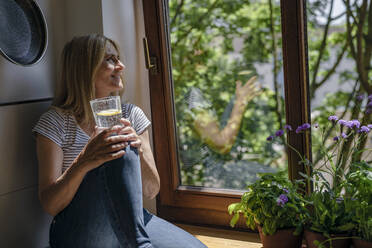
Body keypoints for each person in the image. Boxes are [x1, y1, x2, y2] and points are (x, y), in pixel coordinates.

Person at [33, 34, 207, 248]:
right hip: (80, 229)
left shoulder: (131, 114)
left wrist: (139, 149)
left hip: (132, 221)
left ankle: (135, 241)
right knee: (115, 144)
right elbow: (51, 204)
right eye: (110, 60)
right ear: (85, 68)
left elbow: (152, 190)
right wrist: (85, 160)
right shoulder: (55, 121)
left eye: (118, 58)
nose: (121, 66)